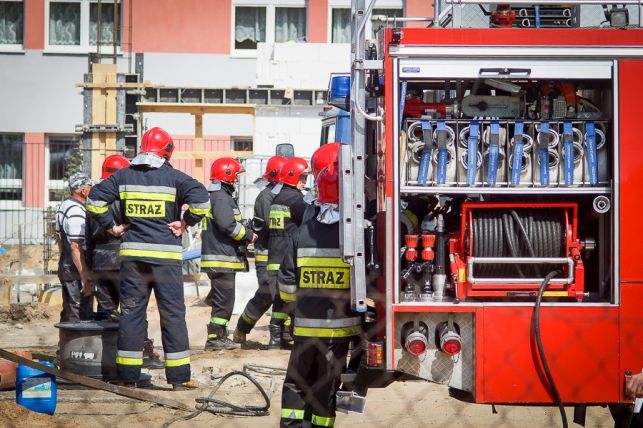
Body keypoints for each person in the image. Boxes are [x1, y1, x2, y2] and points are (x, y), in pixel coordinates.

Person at [87, 127, 210, 390]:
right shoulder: (175, 178)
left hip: (133, 260)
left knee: (131, 314)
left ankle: (128, 377)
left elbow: (94, 201)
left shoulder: (123, 176)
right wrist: (185, 222)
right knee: (172, 315)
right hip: (165, 260)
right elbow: (202, 201)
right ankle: (178, 379)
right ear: (167, 151)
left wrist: (112, 227)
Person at [279, 162, 362, 427]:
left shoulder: (301, 233)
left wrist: (295, 312)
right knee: (326, 384)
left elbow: (286, 281)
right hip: (337, 331)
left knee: (296, 381)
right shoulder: (356, 236)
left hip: (304, 328)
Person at [85, 154, 163, 369]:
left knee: (106, 311)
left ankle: (106, 354)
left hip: (100, 262)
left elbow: (87, 238)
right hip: (124, 260)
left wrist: (90, 268)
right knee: (133, 309)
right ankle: (144, 352)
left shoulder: (94, 197)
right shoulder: (125, 196)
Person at [201, 157, 257, 351]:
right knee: (224, 301)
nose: (236, 181)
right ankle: (215, 339)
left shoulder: (219, 196)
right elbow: (227, 225)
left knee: (223, 299)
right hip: (221, 259)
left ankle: (219, 335)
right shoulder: (221, 198)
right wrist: (249, 235)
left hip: (221, 257)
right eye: (235, 177)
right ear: (228, 176)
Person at [233, 155, 288, 347]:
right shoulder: (266, 197)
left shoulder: (286, 196)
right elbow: (271, 227)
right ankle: (242, 327)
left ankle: (283, 334)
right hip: (267, 253)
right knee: (267, 294)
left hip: (283, 255)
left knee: (285, 294)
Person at [266, 157, 310, 348]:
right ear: (293, 177)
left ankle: (277, 338)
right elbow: (312, 219)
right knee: (292, 298)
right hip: (288, 258)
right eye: (303, 178)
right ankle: (284, 335)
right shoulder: (296, 200)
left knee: (280, 299)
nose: (305, 183)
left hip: (275, 255)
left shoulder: (277, 198)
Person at [55, 172, 95, 322]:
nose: (92, 190)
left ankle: (66, 338)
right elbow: (76, 246)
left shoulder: (64, 206)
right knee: (78, 312)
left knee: (69, 309)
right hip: (75, 270)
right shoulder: (76, 210)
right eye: (90, 187)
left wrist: (63, 263)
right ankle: (77, 338)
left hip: (67, 265)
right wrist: (84, 278)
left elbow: (59, 239)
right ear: (83, 190)